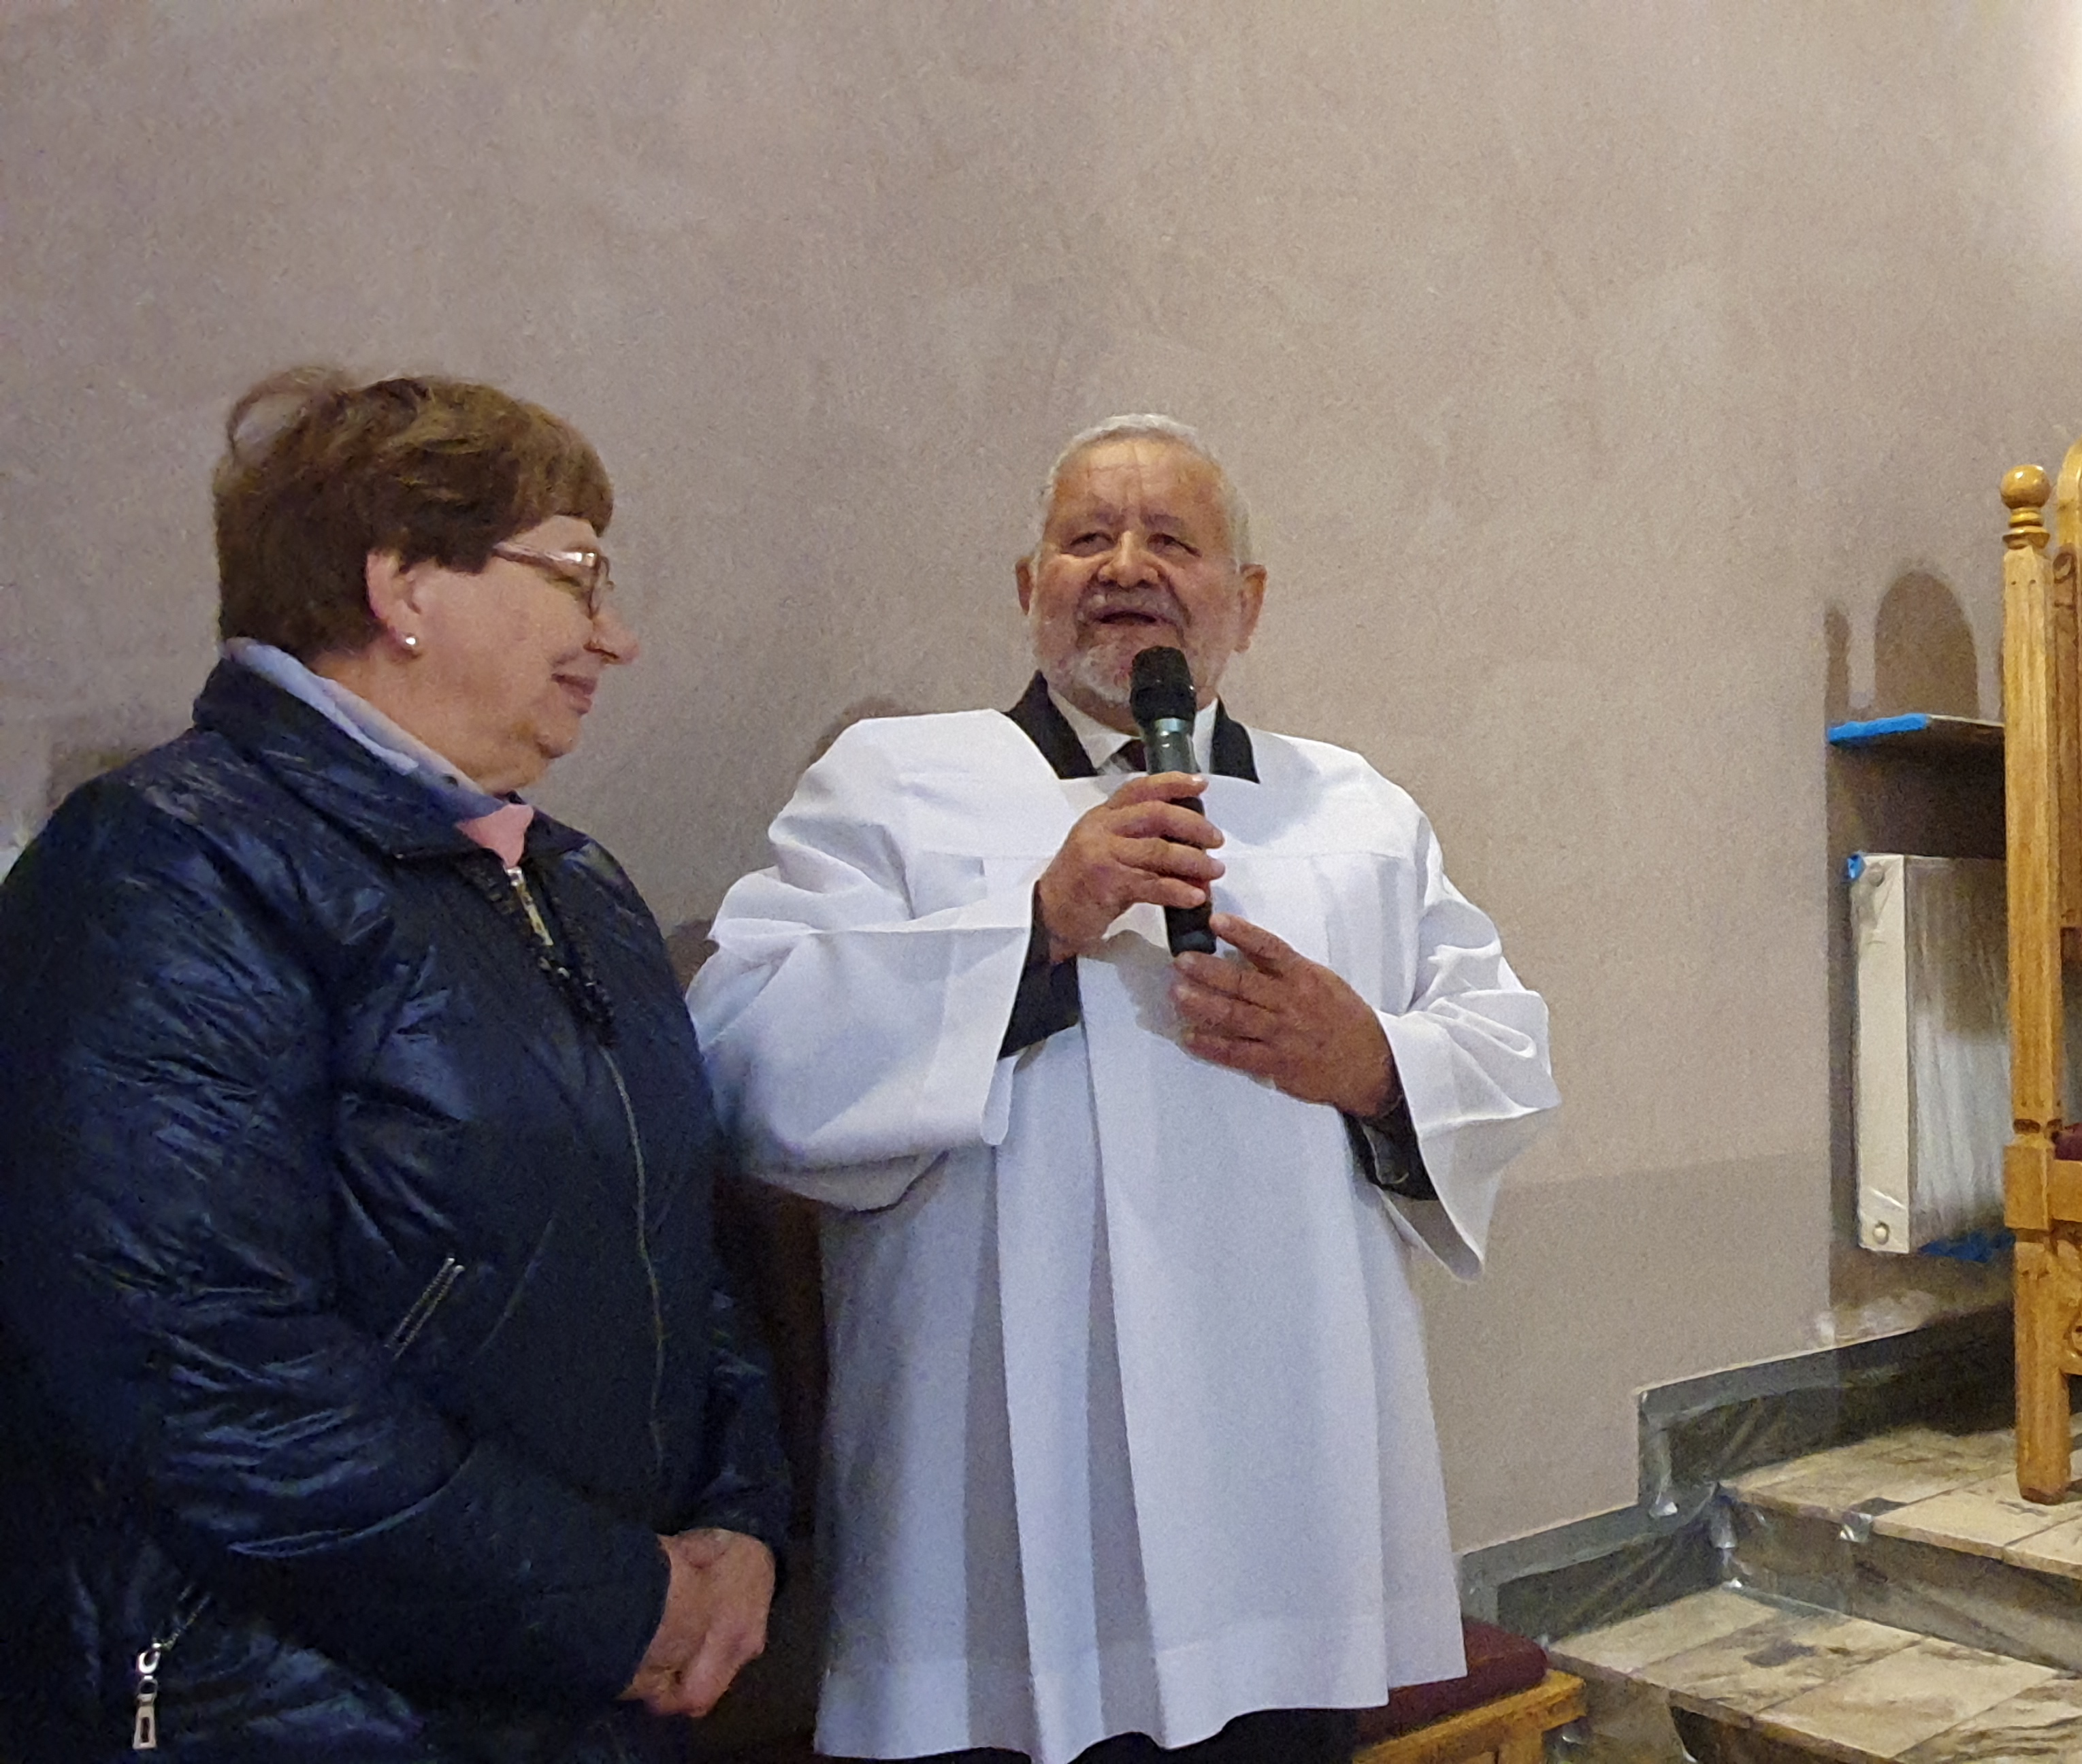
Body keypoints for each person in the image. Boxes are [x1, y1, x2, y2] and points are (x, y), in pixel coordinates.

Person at [688, 414, 1556, 1763]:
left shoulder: (1358, 813)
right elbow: (741, 1046)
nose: (1127, 566)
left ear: (1246, 603)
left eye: (1172, 540)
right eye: (1086, 537)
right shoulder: (893, 786)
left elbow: (1505, 1052)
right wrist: (1032, 932)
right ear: (1027, 586)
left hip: (1278, 1508)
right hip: (999, 1502)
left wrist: (1375, 1062)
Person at [0, 369, 790, 1761]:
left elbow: (675, 1245)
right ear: (405, 582)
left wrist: (738, 1525)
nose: (615, 637)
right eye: (576, 575)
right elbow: (205, 1373)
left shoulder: (576, 882)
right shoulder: (169, 865)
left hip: (591, 1694)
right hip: (290, 1705)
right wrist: (613, 1601)